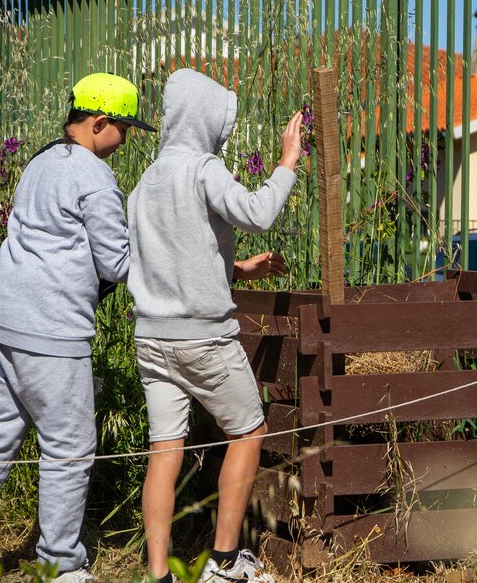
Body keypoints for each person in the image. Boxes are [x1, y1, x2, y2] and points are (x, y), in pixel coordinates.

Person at [0, 73, 157, 583]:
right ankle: (60, 563)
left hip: (2, 318)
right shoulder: (95, 177)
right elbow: (117, 264)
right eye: (125, 128)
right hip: (51, 329)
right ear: (99, 122)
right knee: (69, 448)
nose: (127, 139)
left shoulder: (41, 161)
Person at [127, 68, 303, 583]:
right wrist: (286, 163)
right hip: (203, 338)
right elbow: (258, 213)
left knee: (165, 450)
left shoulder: (144, 183)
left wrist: (238, 269)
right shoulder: (203, 169)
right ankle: (224, 563)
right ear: (205, 119)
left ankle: (158, 573)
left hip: (151, 339)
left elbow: (173, 257)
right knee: (248, 431)